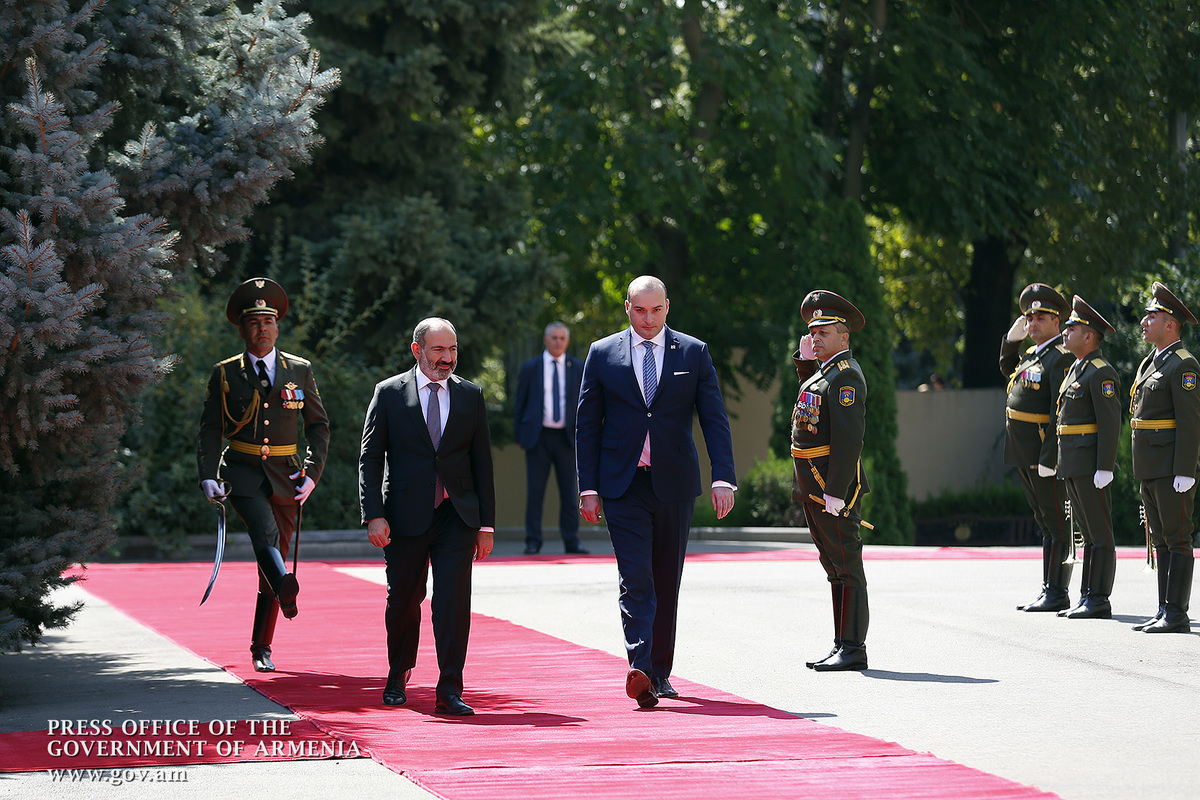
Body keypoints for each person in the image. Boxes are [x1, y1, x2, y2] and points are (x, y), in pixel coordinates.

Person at [576, 276, 736, 708]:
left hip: (674, 483)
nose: (648, 319)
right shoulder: (602, 353)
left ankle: (660, 672)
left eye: (656, 310)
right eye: (640, 310)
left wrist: (723, 477)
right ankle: (641, 669)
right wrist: (588, 487)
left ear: (668, 307)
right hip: (622, 484)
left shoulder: (693, 352)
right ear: (627, 308)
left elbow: (714, 418)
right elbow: (587, 425)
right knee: (636, 578)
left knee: (666, 578)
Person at [358, 318, 496, 716]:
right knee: (403, 599)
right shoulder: (389, 393)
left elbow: (482, 463)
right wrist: (374, 515)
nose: (447, 358)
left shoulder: (470, 395)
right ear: (417, 350)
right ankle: (398, 672)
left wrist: (486, 525)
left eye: (452, 349)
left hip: (457, 514)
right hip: (404, 516)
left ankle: (450, 688)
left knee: (452, 602)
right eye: (438, 350)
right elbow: (370, 458)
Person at [197, 277, 329, 673]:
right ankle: (285, 588)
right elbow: (210, 429)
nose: (262, 329)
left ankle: (261, 645)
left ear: (277, 327)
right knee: (264, 534)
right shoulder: (226, 373)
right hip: (241, 472)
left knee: (272, 558)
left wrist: (312, 473)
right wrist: (207, 475)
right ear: (242, 329)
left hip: (287, 475)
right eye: (254, 322)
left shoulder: (299, 370)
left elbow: (319, 426)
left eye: (268, 322)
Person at [790, 290, 872, 672]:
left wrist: (836, 492)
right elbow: (812, 404)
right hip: (814, 486)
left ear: (844, 336)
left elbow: (848, 440)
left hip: (830, 488)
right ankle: (842, 643)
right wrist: (806, 362)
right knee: (834, 566)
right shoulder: (826, 373)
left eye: (825, 332)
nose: (817, 337)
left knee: (846, 565)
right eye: (813, 332)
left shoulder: (846, 376)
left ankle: (854, 647)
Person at [999, 283, 1075, 613]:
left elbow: (1060, 410)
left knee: (1056, 522)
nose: (1032, 323)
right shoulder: (1033, 354)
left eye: (1040, 318)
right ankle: (1048, 588)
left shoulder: (1060, 357)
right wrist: (1011, 341)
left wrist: (1050, 457)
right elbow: (1008, 370)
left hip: (1043, 451)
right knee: (1044, 521)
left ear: (1057, 321)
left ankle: (1057, 591)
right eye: (1029, 318)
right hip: (1024, 450)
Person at [1129, 282, 1199, 633]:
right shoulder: (1151, 362)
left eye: (1151, 317)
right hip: (1151, 465)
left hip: (1172, 467)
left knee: (1177, 537)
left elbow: (1190, 421)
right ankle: (1164, 608)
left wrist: (1186, 470)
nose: (1144, 322)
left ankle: (1177, 613)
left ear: (1171, 324)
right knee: (1160, 538)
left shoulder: (1183, 366)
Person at [1054, 296, 1121, 620]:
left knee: (1100, 534)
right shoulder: (1076, 369)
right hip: (1073, 462)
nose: (1065, 333)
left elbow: (1110, 424)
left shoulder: (1100, 372)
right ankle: (1087, 596)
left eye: (1072, 328)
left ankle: (1099, 598)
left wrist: (1105, 467)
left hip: (1090, 464)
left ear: (1090, 335)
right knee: (1088, 533)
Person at [513, 322, 587, 555]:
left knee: (569, 492)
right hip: (538, 438)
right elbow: (520, 403)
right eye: (554, 337)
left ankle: (572, 541)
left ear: (567, 341)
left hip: (567, 438)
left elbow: (585, 404)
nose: (557, 342)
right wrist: (519, 435)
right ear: (546, 339)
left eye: (562, 338)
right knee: (535, 492)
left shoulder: (578, 367)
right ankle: (533, 541)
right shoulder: (531, 367)